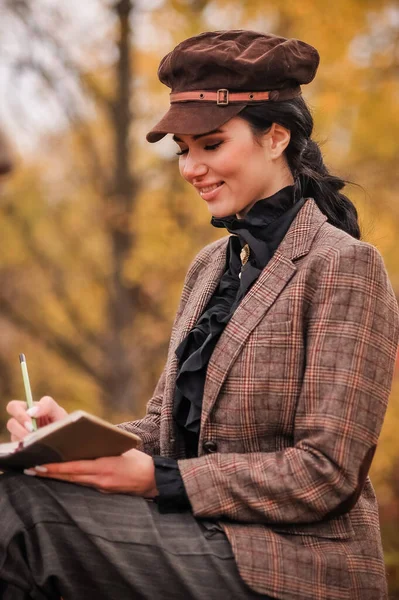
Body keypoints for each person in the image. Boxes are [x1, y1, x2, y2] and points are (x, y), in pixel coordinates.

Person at [2, 30, 399, 600]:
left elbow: (326, 473)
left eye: (210, 144)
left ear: (276, 138)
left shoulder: (345, 266)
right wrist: (76, 439)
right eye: (183, 150)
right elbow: (165, 430)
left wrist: (159, 479)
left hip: (297, 567)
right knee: (16, 484)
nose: (191, 167)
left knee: (21, 513)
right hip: (197, 537)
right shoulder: (210, 267)